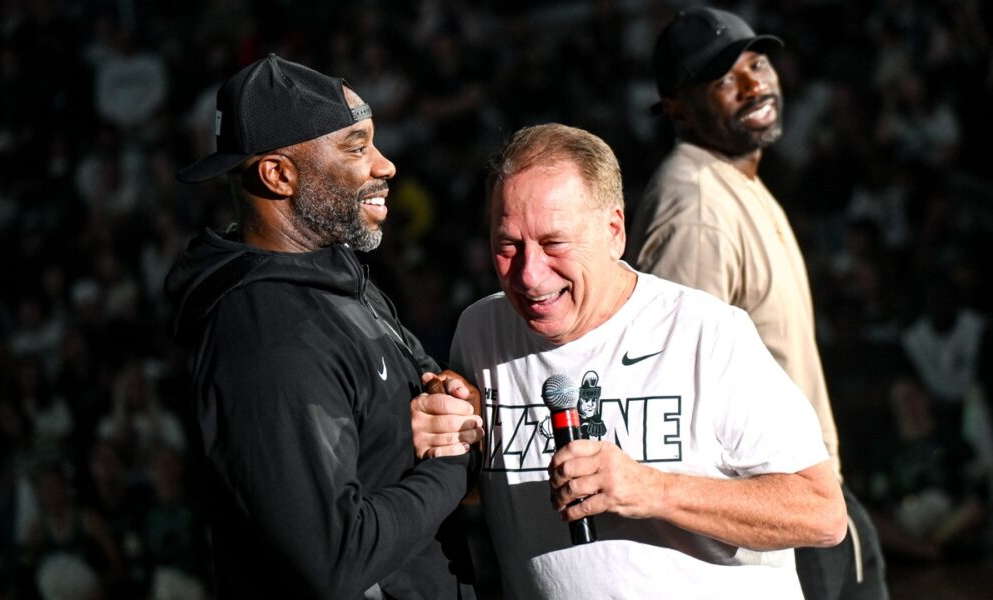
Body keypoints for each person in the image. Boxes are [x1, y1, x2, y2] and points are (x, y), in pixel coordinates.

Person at [413, 123, 846, 599]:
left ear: (614, 231)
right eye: (507, 246)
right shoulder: (481, 333)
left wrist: (654, 490)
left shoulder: (706, 332)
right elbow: (487, 488)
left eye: (554, 243)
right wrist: (452, 429)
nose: (530, 275)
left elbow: (821, 512)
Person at [165, 54, 483, 599]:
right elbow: (335, 560)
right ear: (279, 174)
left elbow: (429, 396)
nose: (386, 166)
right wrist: (452, 467)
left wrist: (452, 398)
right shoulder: (267, 337)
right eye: (356, 147)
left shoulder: (337, 275)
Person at [625, 7, 888, 599]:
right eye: (724, 79)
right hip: (776, 519)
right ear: (677, 109)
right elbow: (674, 395)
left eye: (758, 63)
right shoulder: (695, 207)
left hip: (815, 498)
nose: (753, 83)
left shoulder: (732, 178)